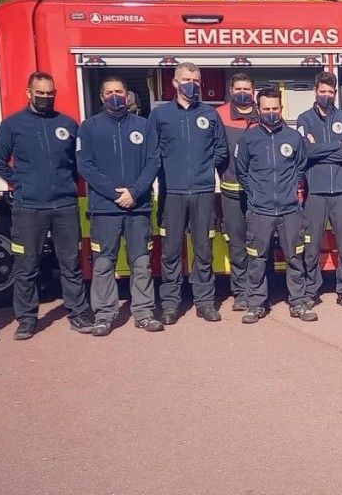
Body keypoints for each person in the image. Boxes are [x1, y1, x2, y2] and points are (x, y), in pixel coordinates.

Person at [0, 72, 93, 339]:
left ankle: (78, 312)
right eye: (41, 93)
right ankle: (26, 318)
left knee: (71, 263)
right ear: (29, 93)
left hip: (64, 205)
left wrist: (64, 185)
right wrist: (20, 183)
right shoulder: (12, 125)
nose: (46, 98)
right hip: (29, 207)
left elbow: (78, 163)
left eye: (50, 93)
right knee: (27, 265)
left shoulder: (68, 124)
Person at [76, 77, 163, 336]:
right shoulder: (89, 128)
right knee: (103, 263)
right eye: (110, 92)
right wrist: (115, 194)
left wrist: (134, 192)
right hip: (105, 208)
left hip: (138, 207)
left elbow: (153, 161)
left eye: (120, 92)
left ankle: (144, 313)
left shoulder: (144, 126)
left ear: (128, 95)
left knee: (141, 262)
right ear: (102, 97)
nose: (116, 96)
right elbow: (85, 166)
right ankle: (104, 315)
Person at [146, 62, 228, 324]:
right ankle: (170, 304)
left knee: (203, 250)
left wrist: (204, 170)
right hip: (172, 193)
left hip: (203, 192)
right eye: (186, 79)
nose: (191, 84)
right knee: (170, 251)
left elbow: (221, 150)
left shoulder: (210, 114)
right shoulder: (160, 116)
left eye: (195, 79)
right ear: (175, 82)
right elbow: (151, 153)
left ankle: (205, 302)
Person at [235, 88, 313, 323]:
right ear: (259, 109)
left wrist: (289, 190)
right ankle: (257, 305)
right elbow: (242, 171)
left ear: (281, 109)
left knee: (295, 258)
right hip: (260, 211)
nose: (271, 113)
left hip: (290, 210)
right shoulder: (248, 138)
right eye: (266, 109)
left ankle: (298, 303)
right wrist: (257, 194)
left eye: (275, 109)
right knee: (257, 260)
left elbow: (301, 166)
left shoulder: (293, 137)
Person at [297, 72, 342, 309]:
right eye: (322, 92)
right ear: (315, 91)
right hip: (316, 192)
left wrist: (320, 149)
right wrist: (336, 144)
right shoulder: (304, 119)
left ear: (335, 93)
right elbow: (306, 152)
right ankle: (310, 291)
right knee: (311, 244)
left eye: (330, 92)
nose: (327, 96)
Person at [216, 73, 259, 311]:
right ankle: (241, 292)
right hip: (231, 193)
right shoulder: (219, 116)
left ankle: (260, 290)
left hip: (258, 195)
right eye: (238, 88)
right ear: (231, 90)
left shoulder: (263, 114)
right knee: (237, 245)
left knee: (260, 244)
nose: (243, 92)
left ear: (253, 91)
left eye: (247, 88)